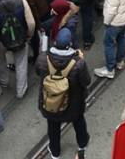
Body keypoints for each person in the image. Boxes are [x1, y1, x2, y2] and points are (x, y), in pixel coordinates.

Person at [35, 28, 92, 159]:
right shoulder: (78, 63)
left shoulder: (43, 58)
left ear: (55, 42)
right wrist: (81, 59)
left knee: (53, 126)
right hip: (74, 105)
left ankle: (55, 153)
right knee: (78, 122)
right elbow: (86, 81)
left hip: (50, 103)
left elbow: (38, 72)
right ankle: (82, 144)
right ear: (70, 44)